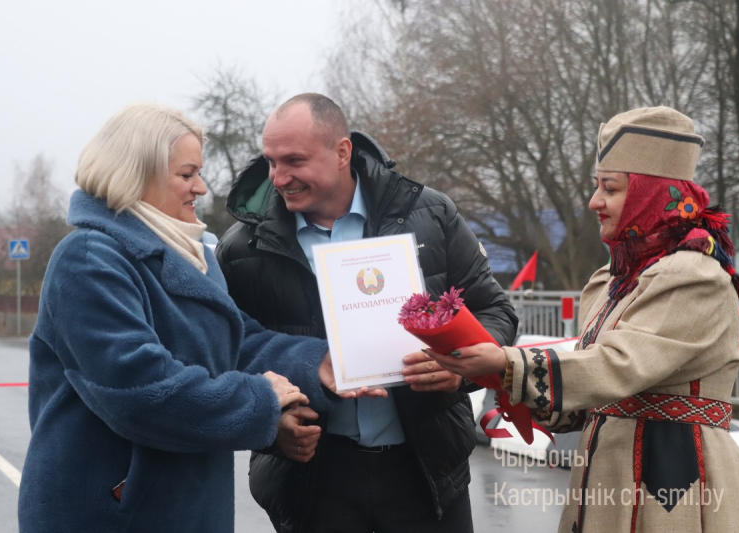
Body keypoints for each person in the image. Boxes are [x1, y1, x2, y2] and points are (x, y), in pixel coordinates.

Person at [17, 103, 367, 533]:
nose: (201, 187)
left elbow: (236, 344)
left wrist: (320, 364)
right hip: (111, 516)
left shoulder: (191, 254)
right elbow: (139, 389)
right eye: (187, 174)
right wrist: (260, 400)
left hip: (186, 508)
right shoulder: (88, 258)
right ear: (136, 173)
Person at [427, 106, 739, 532]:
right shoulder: (612, 280)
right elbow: (594, 393)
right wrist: (504, 380)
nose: (594, 202)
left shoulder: (694, 276)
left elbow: (618, 365)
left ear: (652, 193)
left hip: (676, 490)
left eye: (608, 188)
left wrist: (508, 365)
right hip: (605, 481)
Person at [215, 93, 518, 533]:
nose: (278, 178)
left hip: (427, 475)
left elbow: (495, 311)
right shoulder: (241, 248)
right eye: (270, 162)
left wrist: (461, 370)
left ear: (342, 152)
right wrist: (270, 422)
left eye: (294, 161)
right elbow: (227, 353)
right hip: (312, 483)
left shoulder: (430, 215)